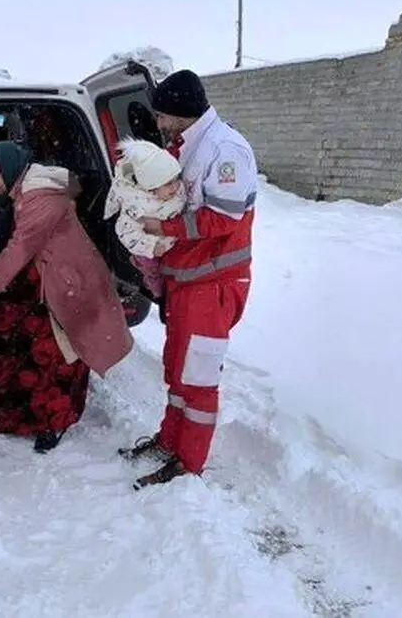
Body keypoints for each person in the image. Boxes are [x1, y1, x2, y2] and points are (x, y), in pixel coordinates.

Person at [118, 69, 258, 489]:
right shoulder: (185, 145)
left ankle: (188, 461)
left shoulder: (225, 149)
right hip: (186, 281)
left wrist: (165, 229)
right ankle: (170, 440)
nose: (158, 124)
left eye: (163, 116)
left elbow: (224, 218)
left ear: (182, 112)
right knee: (177, 371)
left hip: (213, 284)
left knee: (197, 379)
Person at [0, 141, 134, 453]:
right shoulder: (9, 193)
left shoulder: (41, 195)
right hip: (30, 277)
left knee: (52, 353)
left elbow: (22, 244)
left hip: (64, 282)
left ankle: (55, 420)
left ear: (9, 171)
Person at [103, 138, 187, 299]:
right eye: (169, 183)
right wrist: (151, 246)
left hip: (173, 242)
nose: (176, 186)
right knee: (153, 270)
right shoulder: (137, 205)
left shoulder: (175, 191)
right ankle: (156, 289)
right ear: (151, 187)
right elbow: (127, 233)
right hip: (149, 248)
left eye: (177, 179)